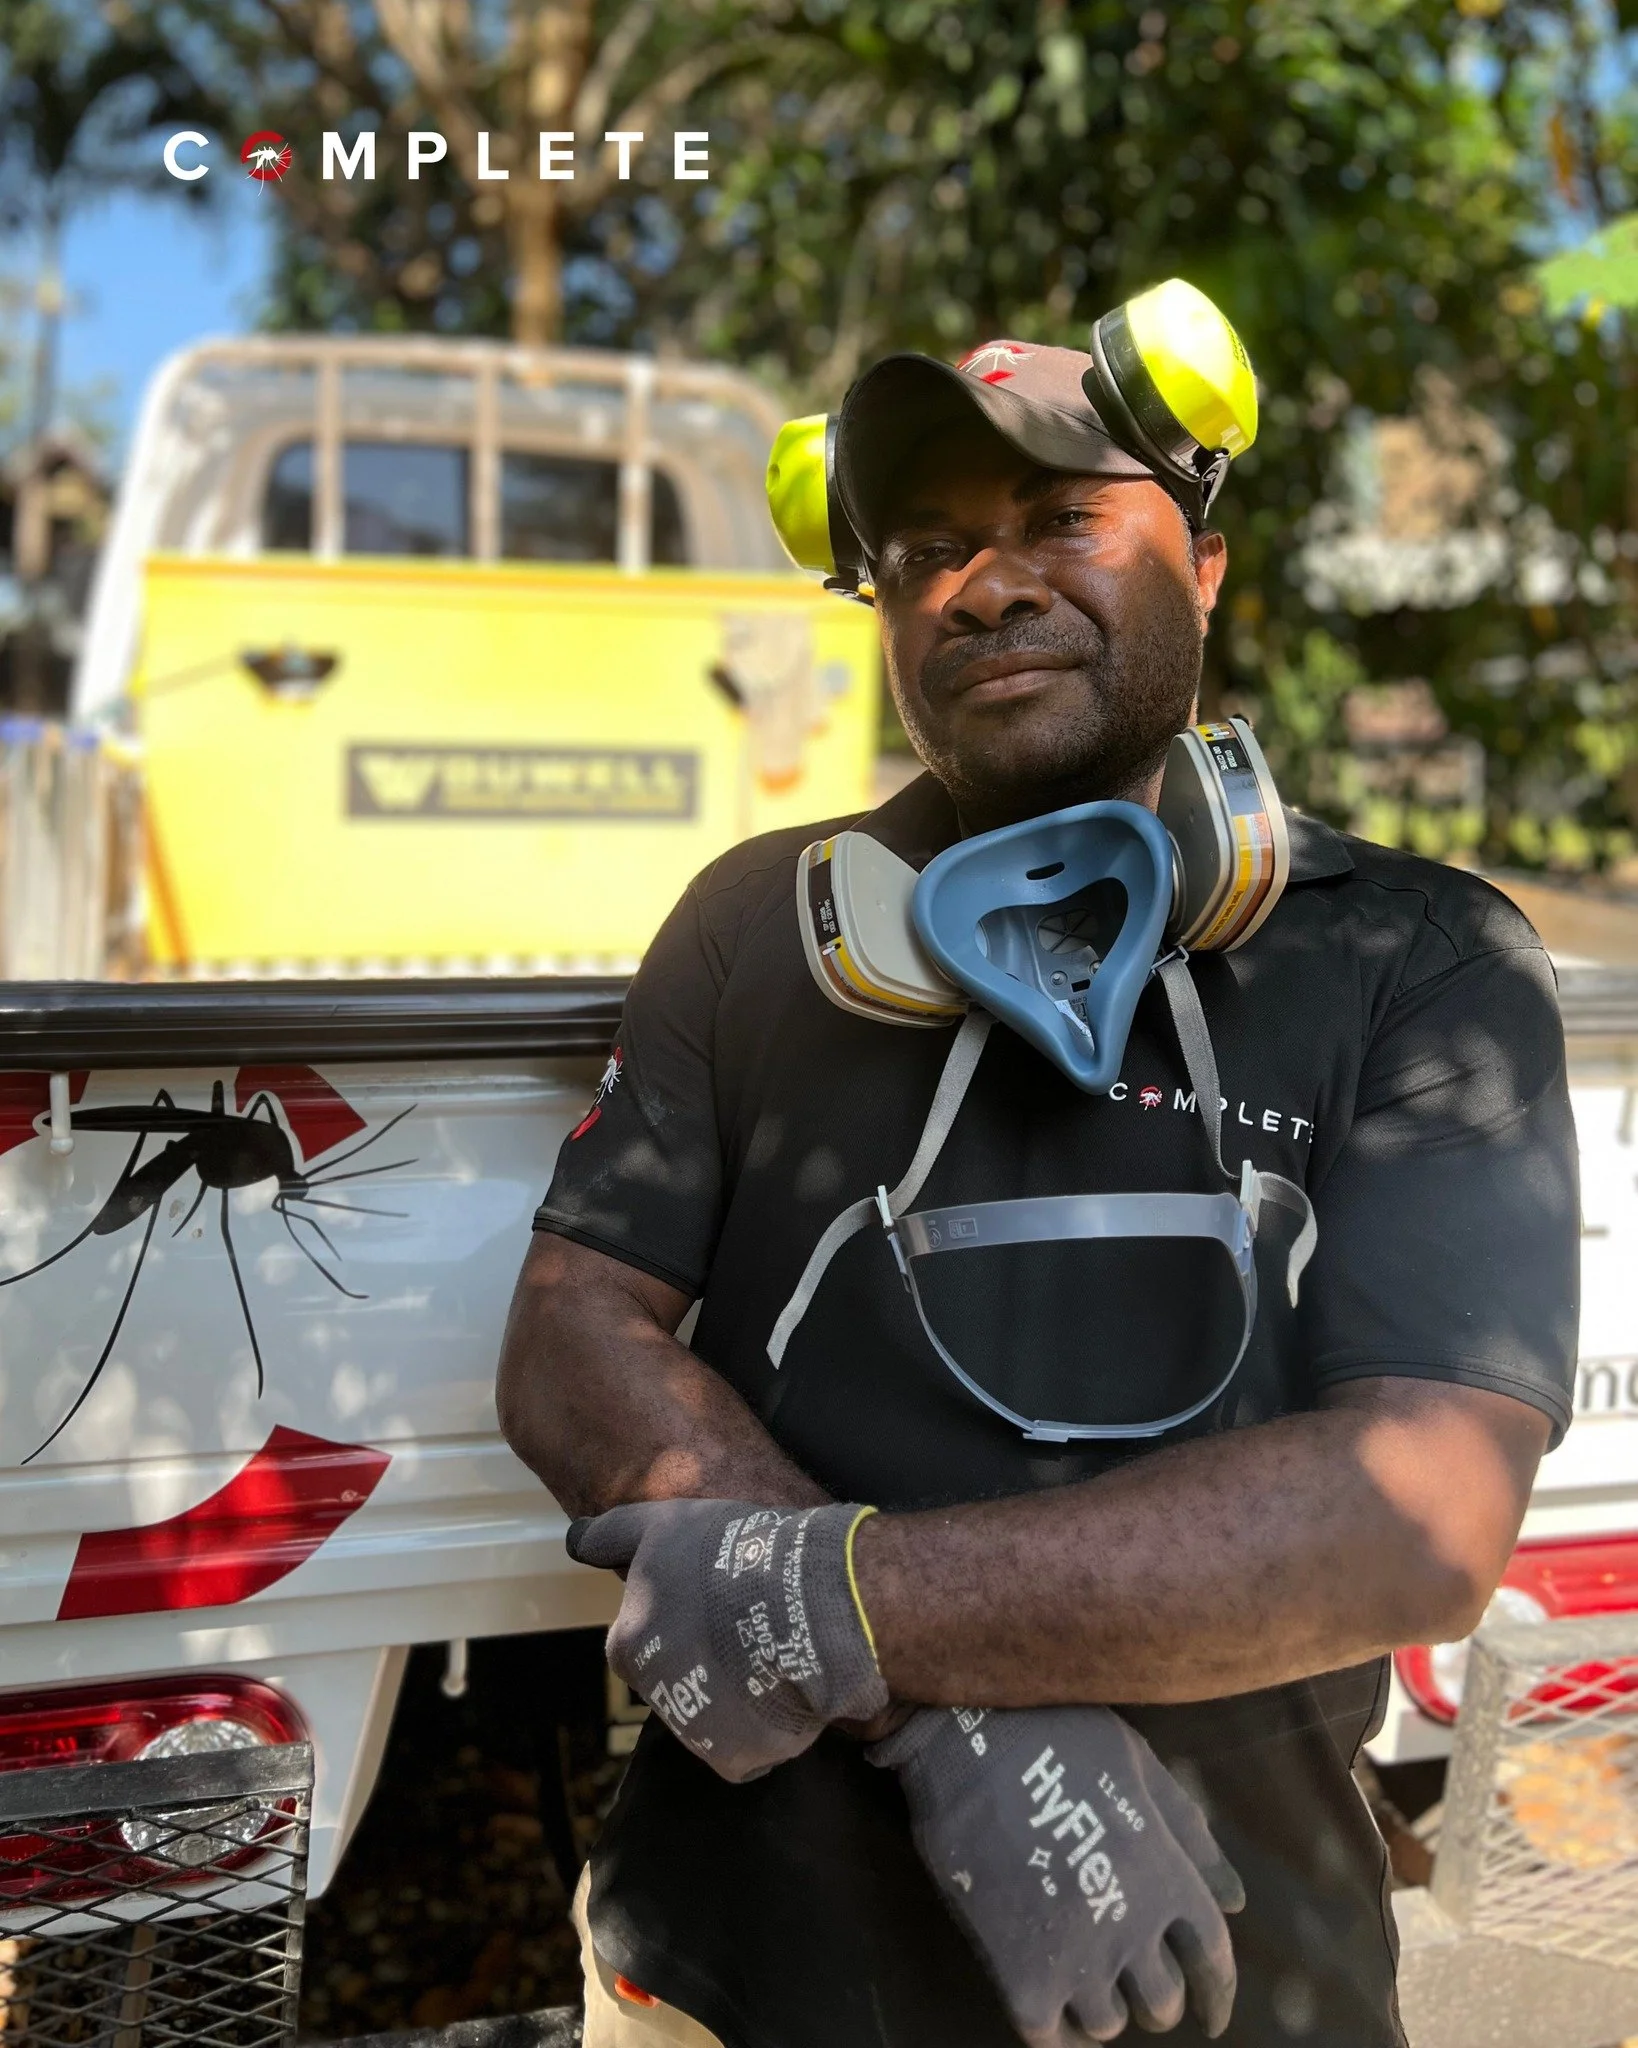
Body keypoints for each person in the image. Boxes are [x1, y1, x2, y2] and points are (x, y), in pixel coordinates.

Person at [496, 323, 1579, 2048]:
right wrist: (948, 1726)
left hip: (1228, 1976)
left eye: (1061, 515)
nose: (984, 585)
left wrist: (841, 1610)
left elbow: (1420, 1510)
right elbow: (573, 1330)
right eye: (924, 550)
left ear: (1205, 560)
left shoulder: (1418, 958)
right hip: (726, 1964)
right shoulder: (746, 927)